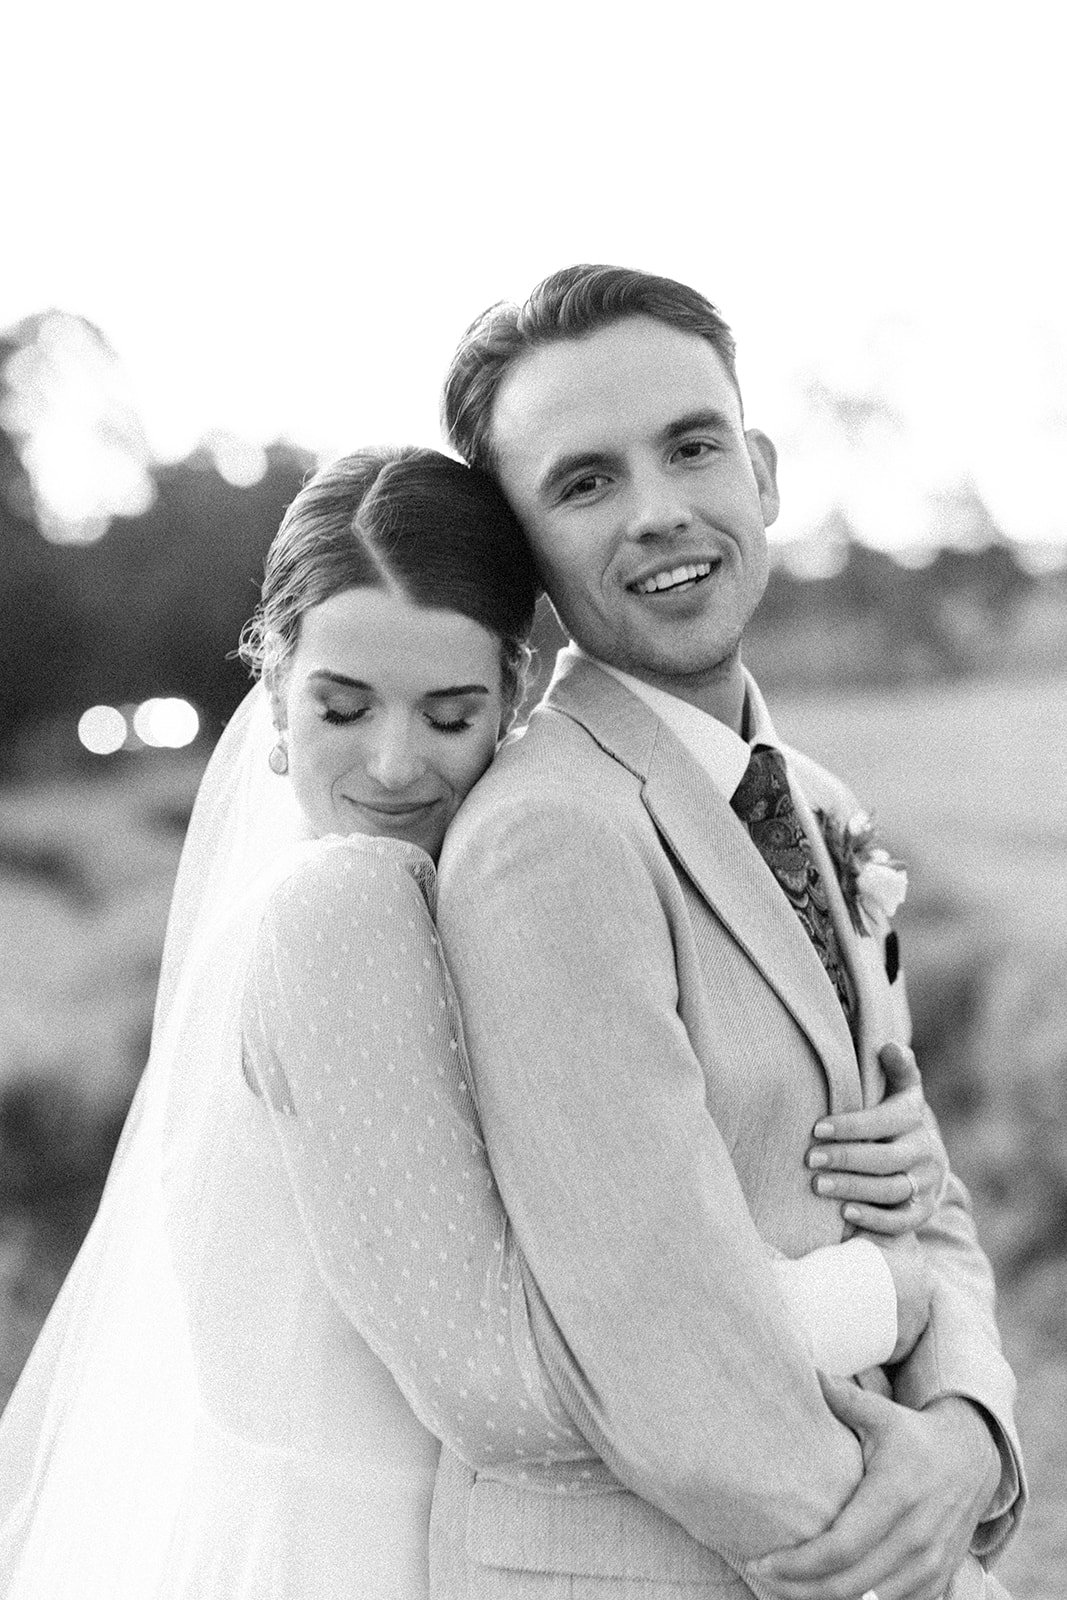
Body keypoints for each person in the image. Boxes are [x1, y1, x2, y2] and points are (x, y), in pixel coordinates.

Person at [0, 446, 954, 1598]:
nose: (395, 764)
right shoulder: (338, 910)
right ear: (274, 695)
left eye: (447, 714)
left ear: (512, 700)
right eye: (342, 707)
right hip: (351, 1556)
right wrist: (879, 1293)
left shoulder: (445, 907)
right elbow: (496, 1382)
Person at [434, 266, 1025, 1600]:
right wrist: (907, 1558)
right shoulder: (550, 836)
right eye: (582, 483)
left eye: (689, 447)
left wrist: (965, 1437)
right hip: (672, 1565)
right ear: (522, 552)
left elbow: (917, 1195)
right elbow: (653, 1324)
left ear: (755, 471)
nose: (658, 510)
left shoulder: (814, 803)